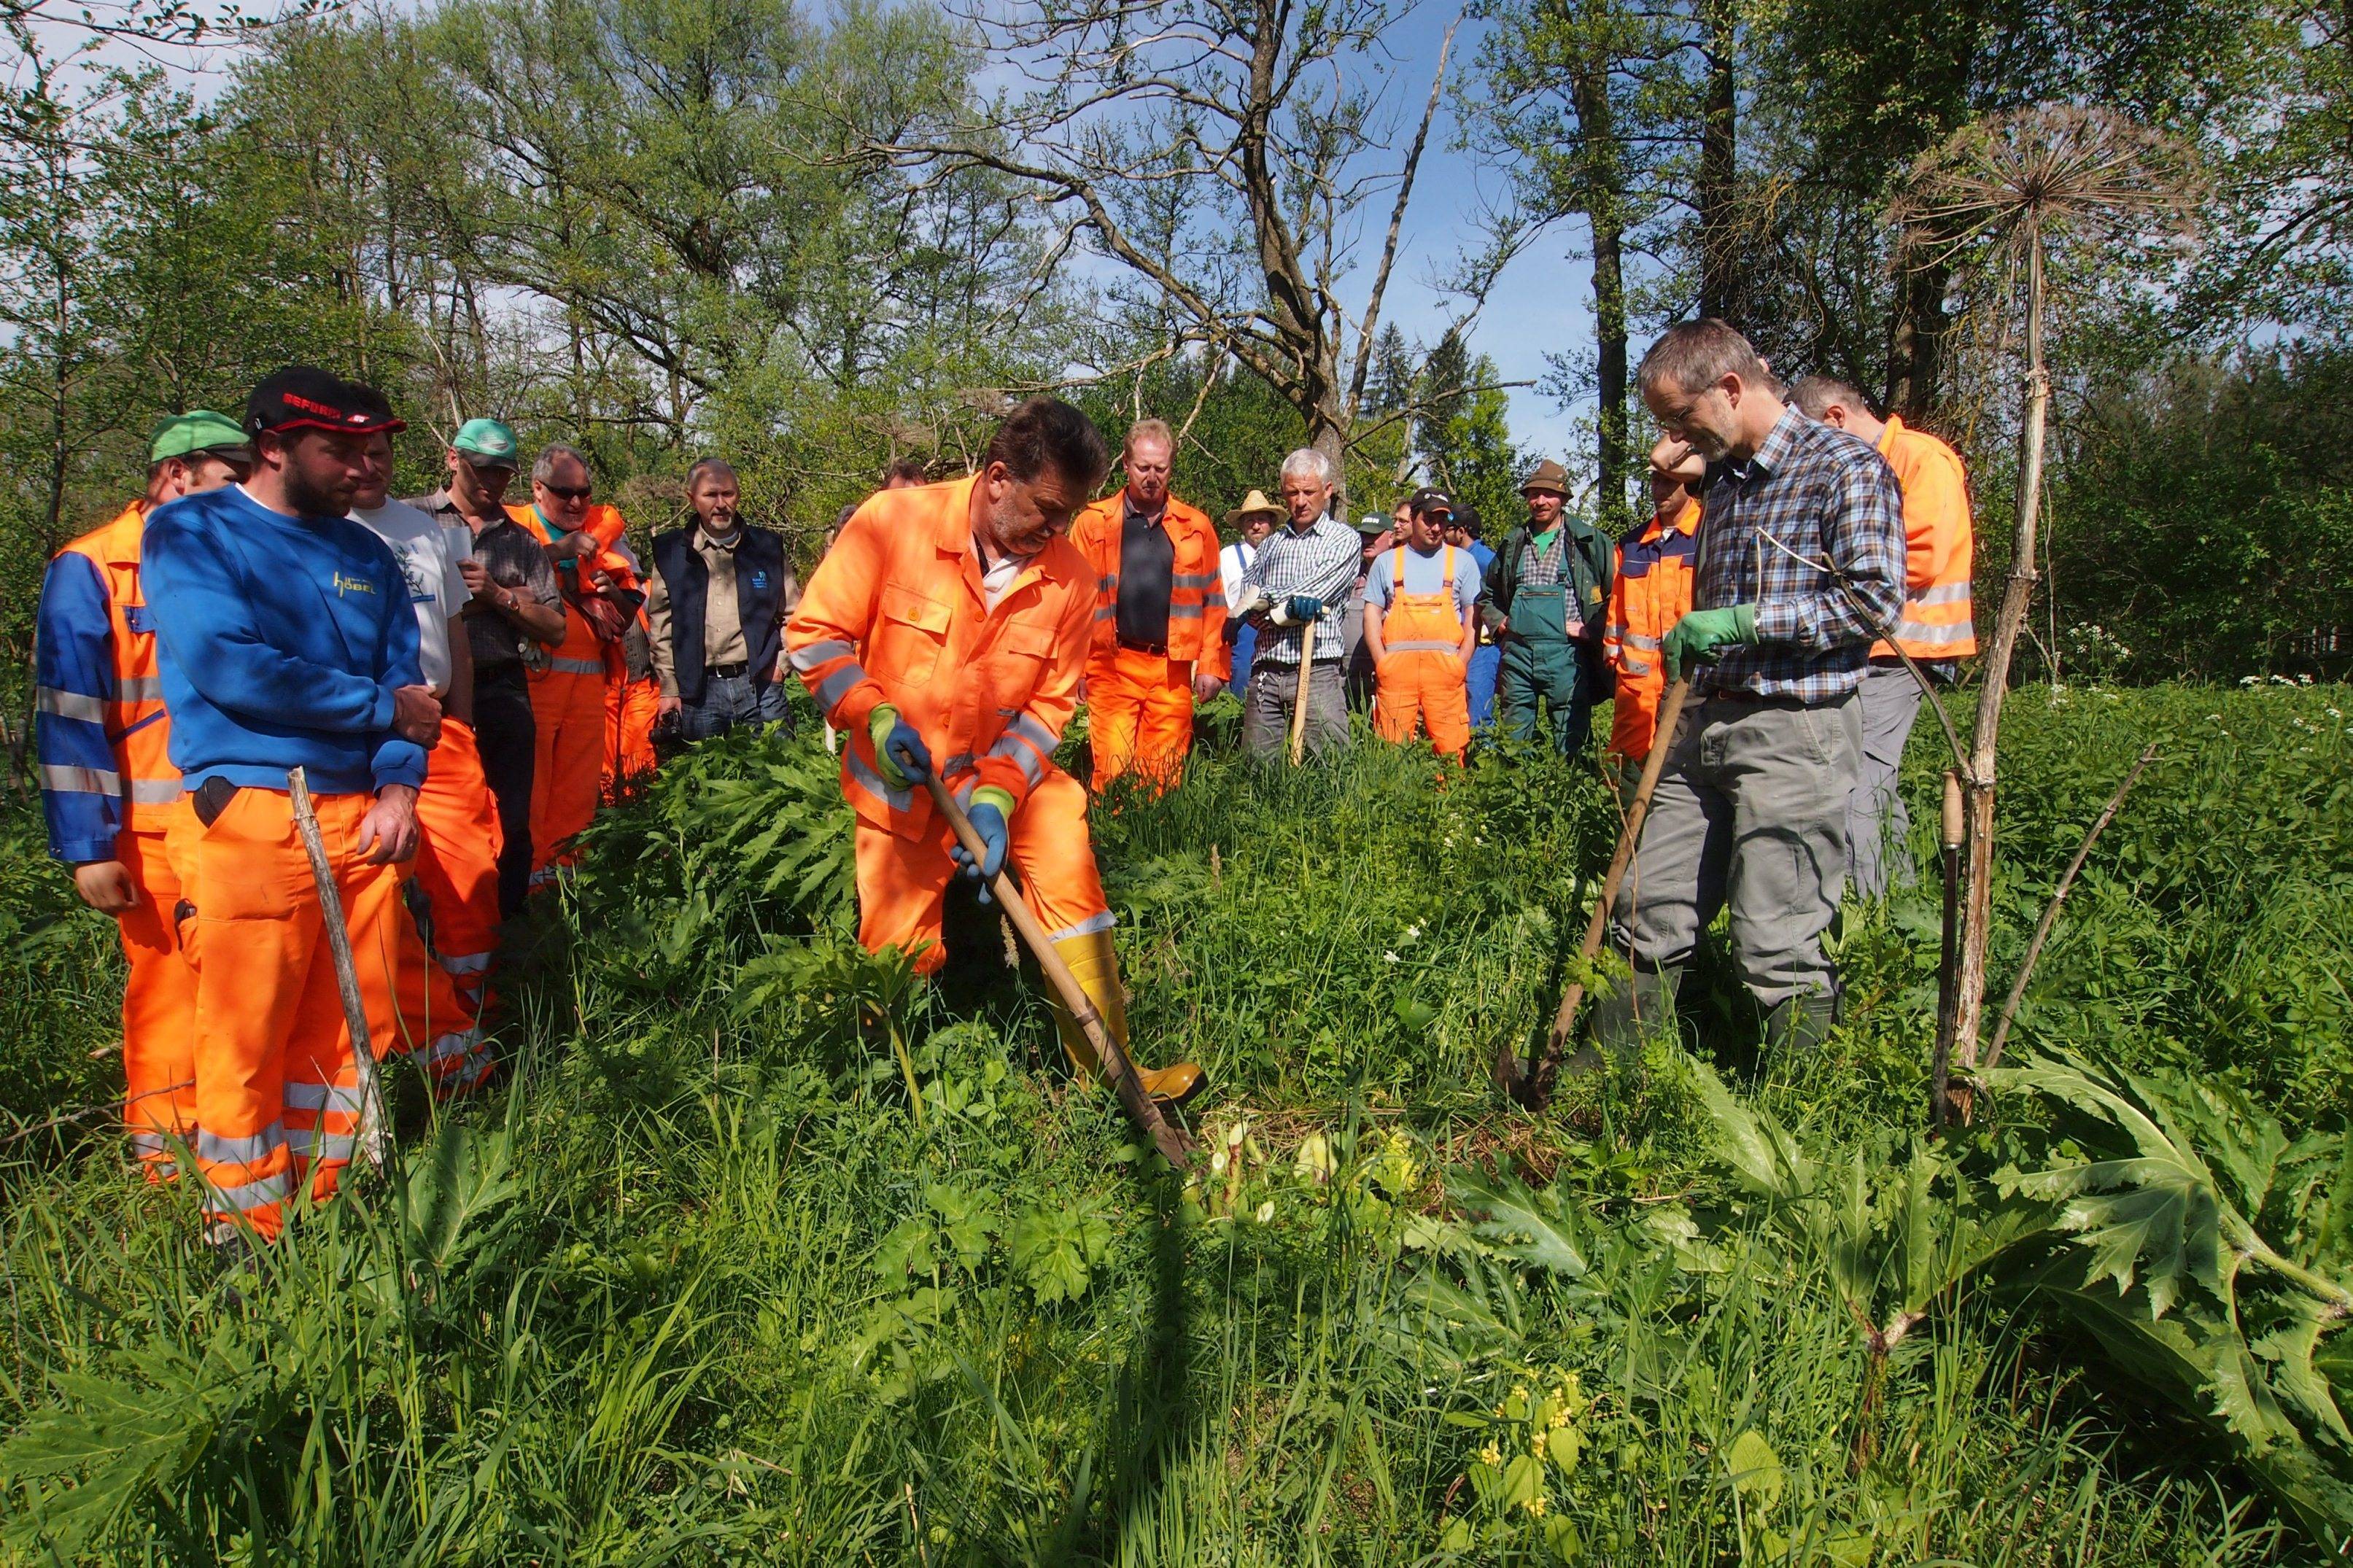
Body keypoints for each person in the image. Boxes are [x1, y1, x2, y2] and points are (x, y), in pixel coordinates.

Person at [785, 397, 1202, 1101]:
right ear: (999, 476)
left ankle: (1109, 1067)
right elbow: (815, 634)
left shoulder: (1069, 576)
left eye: (1069, 514)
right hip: (903, 787)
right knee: (897, 947)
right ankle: (878, 1096)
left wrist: (998, 796)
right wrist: (874, 718)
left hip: (1004, 785)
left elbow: (1047, 708)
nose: (1058, 529)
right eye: (1047, 509)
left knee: (1070, 860)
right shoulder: (894, 524)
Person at [144, 367, 438, 1243]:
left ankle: (335, 1197)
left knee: (357, 1020)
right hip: (259, 814)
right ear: (273, 446)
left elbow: (405, 682)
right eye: (337, 450)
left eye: (370, 448)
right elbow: (231, 666)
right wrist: (384, 712)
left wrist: (397, 784)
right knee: (246, 1025)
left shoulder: (367, 554)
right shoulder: (195, 531)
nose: (362, 467)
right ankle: (245, 1227)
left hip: (365, 819)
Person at [1594, 320, 1904, 1057]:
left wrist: (1744, 622)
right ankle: (1609, 1073)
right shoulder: (1725, 478)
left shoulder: (1844, 468)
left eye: (1681, 417)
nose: (1675, 436)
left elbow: (1875, 601)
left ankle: (1790, 1120)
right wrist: (1698, 637)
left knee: (1776, 930)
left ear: (1730, 389)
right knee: (1646, 907)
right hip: (1700, 722)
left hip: (1797, 727)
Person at [35, 410, 252, 1176]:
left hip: (241, 823)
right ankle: (167, 1162)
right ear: (176, 475)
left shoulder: (238, 560)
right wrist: (88, 847)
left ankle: (241, 1154)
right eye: (232, 479)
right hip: (151, 832)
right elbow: (69, 715)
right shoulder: (93, 567)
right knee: (167, 995)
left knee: (243, 989)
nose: (245, 495)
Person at [350, 421, 497, 1095]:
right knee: (376, 897)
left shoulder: (421, 530)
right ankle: (405, 1044)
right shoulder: (319, 533)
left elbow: (452, 629)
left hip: (438, 724)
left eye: (379, 453)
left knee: (472, 874)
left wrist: (461, 720)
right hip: (354, 735)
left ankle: (475, 1007)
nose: (368, 466)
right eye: (353, 454)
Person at [1791, 374, 1978, 899]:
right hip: (1872, 647)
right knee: (1868, 773)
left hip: (1906, 650)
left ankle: (1865, 904)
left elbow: (1921, 555)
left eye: (1815, 437)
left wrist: (1832, 578)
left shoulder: (1921, 458)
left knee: (1854, 777)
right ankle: (1894, 899)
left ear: (1835, 418)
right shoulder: (1868, 466)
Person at [413, 420, 565, 917]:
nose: (492, 483)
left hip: (502, 685)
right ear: (454, 460)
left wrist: (498, 596)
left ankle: (509, 931)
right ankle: (432, 928)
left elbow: (555, 626)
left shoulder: (520, 542)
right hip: (429, 689)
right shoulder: (412, 521)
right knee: (437, 820)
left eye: (502, 473)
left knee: (513, 819)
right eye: (482, 470)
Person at [505, 445, 640, 883]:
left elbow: (630, 618)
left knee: (578, 794)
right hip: (528, 683)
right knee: (526, 792)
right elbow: (484, 585)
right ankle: (519, 887)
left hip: (588, 686)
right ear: (538, 489)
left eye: (585, 492)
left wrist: (610, 592)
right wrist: (555, 552)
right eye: (566, 493)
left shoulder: (608, 538)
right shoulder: (511, 528)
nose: (578, 503)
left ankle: (566, 889)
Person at [1069, 419, 1226, 792]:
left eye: (1161, 468)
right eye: (1143, 467)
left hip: (1172, 671)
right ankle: (1109, 848)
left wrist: (1211, 665)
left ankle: (1151, 845)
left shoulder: (1196, 526)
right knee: (1114, 772)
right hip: (1111, 665)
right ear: (1126, 464)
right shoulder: (1093, 523)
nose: (1151, 477)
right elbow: (1070, 604)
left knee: (1162, 775)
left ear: (1171, 466)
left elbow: (1214, 601)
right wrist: (1073, 668)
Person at [648, 458, 801, 742]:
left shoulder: (766, 548)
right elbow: (662, 625)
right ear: (692, 499)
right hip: (700, 693)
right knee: (709, 783)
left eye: (728, 494)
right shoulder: (671, 554)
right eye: (710, 495)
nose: (721, 504)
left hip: (761, 686)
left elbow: (795, 615)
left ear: (738, 495)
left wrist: (781, 666)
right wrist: (669, 687)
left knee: (778, 775)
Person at [1481, 459, 1613, 757]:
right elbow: (1487, 594)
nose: (1539, 501)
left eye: (1548, 494)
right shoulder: (1513, 542)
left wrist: (1591, 630)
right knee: (1513, 739)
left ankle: (1570, 793)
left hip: (1567, 654)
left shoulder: (1588, 542)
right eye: (1533, 494)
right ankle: (1513, 794)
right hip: (1518, 656)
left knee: (1571, 738)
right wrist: (1500, 622)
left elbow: (1617, 596)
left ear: (1564, 499)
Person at [1233, 449, 1360, 758]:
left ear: (1327, 491)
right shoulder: (1271, 544)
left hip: (1317, 667)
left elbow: (1318, 592)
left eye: (1308, 491)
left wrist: (1268, 600)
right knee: (1259, 769)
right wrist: (1278, 609)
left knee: (1329, 764)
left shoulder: (1344, 540)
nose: (1300, 501)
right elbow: (1246, 600)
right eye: (1292, 492)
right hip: (1266, 669)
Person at [1600, 437, 1705, 796]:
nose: (1658, 490)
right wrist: (1613, 651)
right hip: (1636, 680)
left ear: (1686, 484)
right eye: (1655, 481)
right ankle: (1619, 829)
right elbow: (1617, 609)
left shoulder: (1707, 535)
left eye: (1667, 482)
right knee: (1625, 763)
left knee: (1684, 762)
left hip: (1689, 677)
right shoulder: (1631, 545)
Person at [1364, 487, 1482, 760]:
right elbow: (1371, 614)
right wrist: (1381, 662)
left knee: (1451, 752)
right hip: (1396, 676)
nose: (1436, 527)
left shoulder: (1462, 562)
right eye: (1429, 519)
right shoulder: (1387, 562)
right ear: (1413, 518)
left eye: (1442, 520)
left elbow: (1474, 616)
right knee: (1391, 752)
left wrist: (1461, 661)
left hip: (1445, 675)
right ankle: (1396, 803)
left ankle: (1450, 802)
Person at [1444, 502, 1502, 726]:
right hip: (1458, 641)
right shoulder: (1450, 558)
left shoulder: (1485, 559)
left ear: (1462, 531)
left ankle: (1484, 756)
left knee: (1478, 707)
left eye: (1448, 528)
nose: (1442, 532)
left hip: (1483, 645)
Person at [1218, 490, 1279, 696]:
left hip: (1278, 632)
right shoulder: (1227, 557)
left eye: (1261, 520)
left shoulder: (1281, 554)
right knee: (1242, 691)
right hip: (1243, 634)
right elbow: (1220, 602)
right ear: (1242, 526)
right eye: (1250, 521)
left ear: (1271, 523)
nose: (1256, 526)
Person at [1342, 508, 1400, 709]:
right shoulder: (1351, 574)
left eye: (1374, 535)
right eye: (1364, 535)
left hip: (1385, 666)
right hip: (1348, 670)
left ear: (1391, 538)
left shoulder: (1400, 572)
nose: (1367, 540)